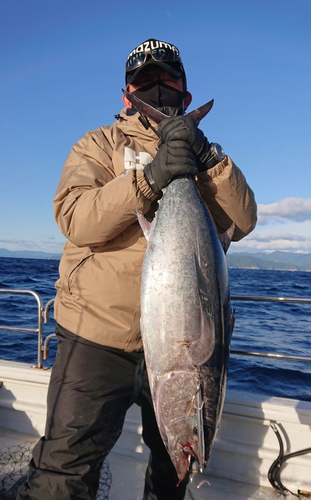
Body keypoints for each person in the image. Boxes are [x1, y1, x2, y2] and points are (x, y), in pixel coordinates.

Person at [17, 38, 257, 500]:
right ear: (127, 96)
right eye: (145, 81)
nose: (157, 87)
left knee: (172, 471)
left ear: (187, 98)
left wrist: (207, 158)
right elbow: (76, 218)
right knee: (65, 466)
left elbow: (242, 220)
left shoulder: (208, 157)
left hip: (179, 341)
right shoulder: (97, 145)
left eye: (168, 79)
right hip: (96, 335)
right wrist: (148, 179)